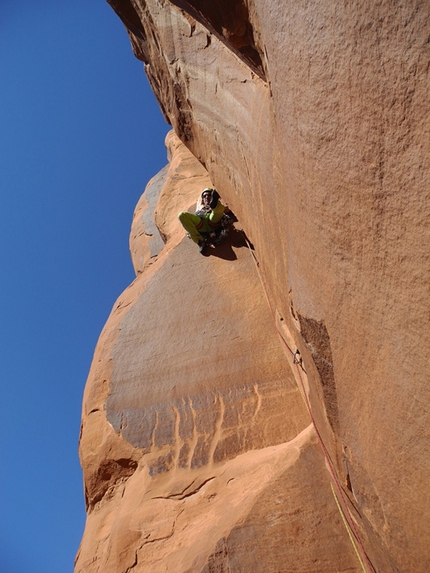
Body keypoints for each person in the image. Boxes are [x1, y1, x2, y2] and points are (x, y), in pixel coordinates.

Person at [178, 188, 225, 253]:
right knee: (181, 215)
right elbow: (199, 205)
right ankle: (200, 241)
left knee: (218, 210)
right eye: (204, 196)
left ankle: (214, 205)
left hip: (212, 221)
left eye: (209, 195)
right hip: (201, 222)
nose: (207, 197)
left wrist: (212, 208)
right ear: (202, 199)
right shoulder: (200, 206)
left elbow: (226, 210)